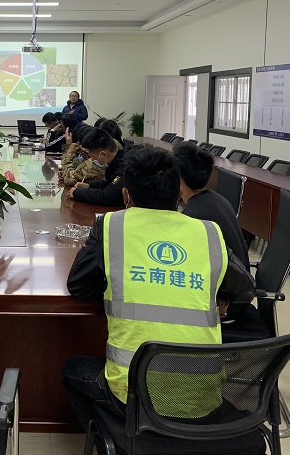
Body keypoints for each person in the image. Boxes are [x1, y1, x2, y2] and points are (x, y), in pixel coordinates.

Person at [62, 145, 255, 427]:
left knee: (72, 370)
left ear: (126, 195)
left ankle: (118, 436)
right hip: (202, 396)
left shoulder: (111, 226)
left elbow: (78, 285)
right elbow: (245, 289)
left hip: (132, 393)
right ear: (178, 193)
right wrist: (217, 295)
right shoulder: (207, 232)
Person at [173, 140, 251, 269]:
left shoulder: (193, 218)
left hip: (226, 280)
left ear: (178, 177)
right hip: (240, 277)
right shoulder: (218, 199)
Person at [66, 128, 126, 207]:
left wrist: (77, 193)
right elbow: (110, 183)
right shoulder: (117, 159)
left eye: (93, 158)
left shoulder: (126, 166)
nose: (93, 161)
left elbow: (108, 196)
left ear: (103, 155)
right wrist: (89, 185)